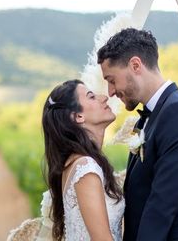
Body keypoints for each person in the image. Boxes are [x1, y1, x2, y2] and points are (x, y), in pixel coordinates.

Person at [97, 28, 178, 241]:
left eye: (112, 80)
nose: (111, 91)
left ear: (135, 65)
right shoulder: (149, 116)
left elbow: (162, 205)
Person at [41, 79, 125, 241]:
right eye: (91, 97)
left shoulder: (75, 163)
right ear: (78, 116)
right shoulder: (86, 168)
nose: (104, 97)